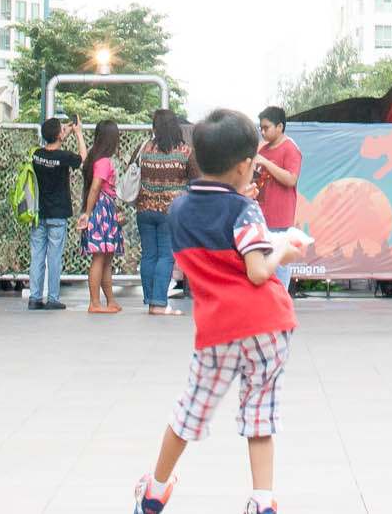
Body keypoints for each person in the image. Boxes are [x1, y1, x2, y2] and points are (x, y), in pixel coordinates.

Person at [131, 108, 306, 514]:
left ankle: (156, 489)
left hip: (217, 332)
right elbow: (259, 271)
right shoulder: (244, 211)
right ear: (246, 165)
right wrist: (285, 245)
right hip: (267, 327)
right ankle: (262, 500)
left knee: (190, 410)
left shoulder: (178, 211)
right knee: (260, 413)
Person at [136, 108, 196, 316]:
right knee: (165, 257)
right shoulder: (185, 151)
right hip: (171, 212)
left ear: (155, 127)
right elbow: (195, 179)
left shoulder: (143, 148)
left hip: (144, 209)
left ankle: (151, 302)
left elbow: (131, 171)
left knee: (149, 255)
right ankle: (159, 304)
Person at [28, 118, 83, 310]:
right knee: (54, 257)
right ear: (59, 135)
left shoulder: (36, 155)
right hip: (58, 214)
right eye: (62, 129)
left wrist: (63, 131)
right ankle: (52, 298)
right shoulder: (64, 156)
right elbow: (82, 158)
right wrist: (77, 132)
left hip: (38, 212)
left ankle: (34, 298)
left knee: (37, 256)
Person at [79, 119, 126, 314]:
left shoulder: (93, 158)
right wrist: (88, 214)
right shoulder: (104, 161)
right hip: (102, 211)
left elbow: (84, 158)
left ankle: (110, 301)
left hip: (102, 210)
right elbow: (96, 187)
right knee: (100, 258)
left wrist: (78, 133)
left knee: (106, 258)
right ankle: (95, 303)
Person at [253, 107, 302, 291]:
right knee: (264, 264)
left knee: (280, 264)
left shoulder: (290, 148)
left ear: (280, 126)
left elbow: (291, 179)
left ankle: (280, 302)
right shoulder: (263, 150)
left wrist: (265, 163)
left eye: (266, 127)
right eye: (261, 128)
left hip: (280, 218)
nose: (263, 132)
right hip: (261, 217)